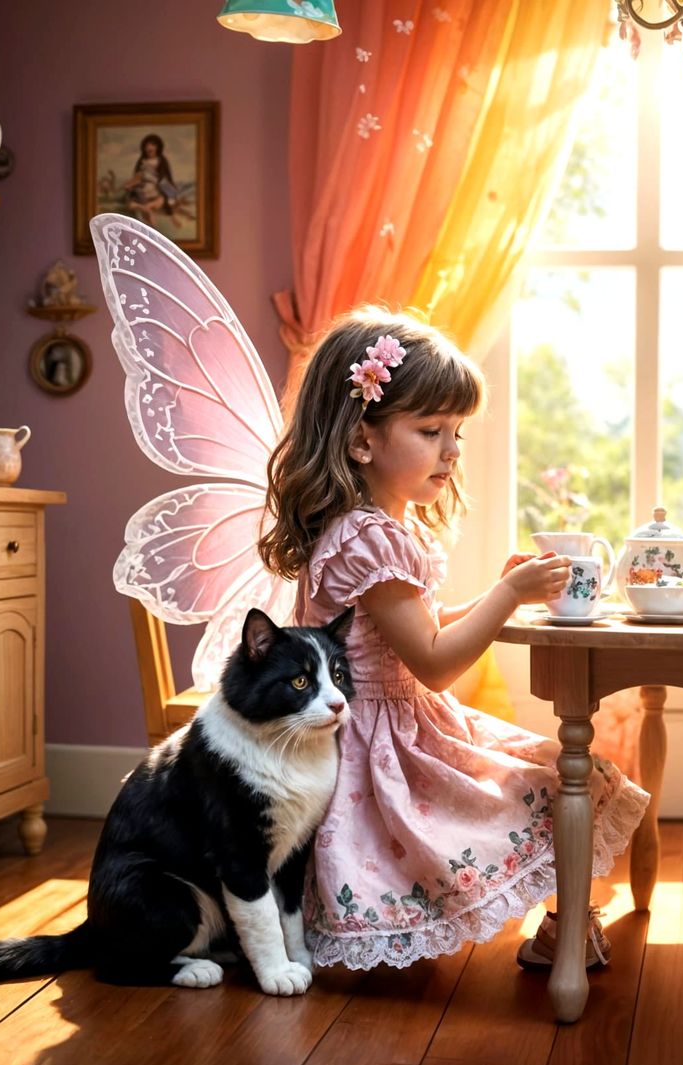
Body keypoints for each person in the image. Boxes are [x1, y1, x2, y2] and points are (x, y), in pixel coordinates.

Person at [259, 306, 649, 971]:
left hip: (402, 721)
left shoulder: (371, 526)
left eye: (458, 431)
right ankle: (567, 924)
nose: (452, 449)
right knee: (556, 781)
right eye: (431, 429)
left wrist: (494, 592)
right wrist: (508, 598)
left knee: (558, 773)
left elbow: (419, 631)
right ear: (362, 441)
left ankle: (568, 919)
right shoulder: (368, 537)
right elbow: (436, 663)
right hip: (381, 745)